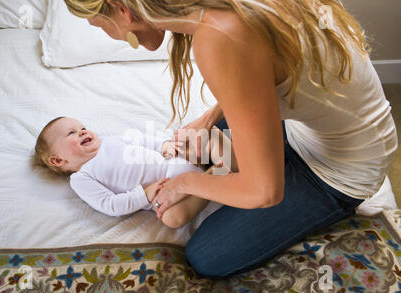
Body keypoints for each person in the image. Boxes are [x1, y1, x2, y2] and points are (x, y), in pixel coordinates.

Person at [63, 0, 398, 278]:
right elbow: (265, 66)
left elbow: (265, 192)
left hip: (342, 171)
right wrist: (209, 117)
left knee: (207, 256)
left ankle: (258, 175)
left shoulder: (220, 38)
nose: (110, 35)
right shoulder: (227, 11)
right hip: (320, 128)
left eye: (100, 26)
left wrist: (187, 184)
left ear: (123, 10)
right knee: (201, 139)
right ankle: (241, 163)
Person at [34, 116, 235, 229]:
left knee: (205, 135)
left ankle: (232, 161)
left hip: (179, 160)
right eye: (71, 133)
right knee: (173, 219)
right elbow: (109, 204)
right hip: (165, 194)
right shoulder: (81, 178)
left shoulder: (111, 141)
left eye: (83, 127)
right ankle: (220, 172)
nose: (83, 132)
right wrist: (144, 195)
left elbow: (144, 141)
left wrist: (165, 145)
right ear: (58, 160)